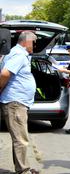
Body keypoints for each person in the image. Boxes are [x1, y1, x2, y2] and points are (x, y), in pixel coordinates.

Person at [0, 31, 39, 174]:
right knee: (20, 140)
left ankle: (22, 168)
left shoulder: (17, 53)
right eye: (34, 42)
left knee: (19, 138)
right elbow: (5, 74)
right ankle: (23, 170)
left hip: (17, 102)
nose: (35, 45)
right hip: (15, 102)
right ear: (27, 42)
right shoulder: (18, 55)